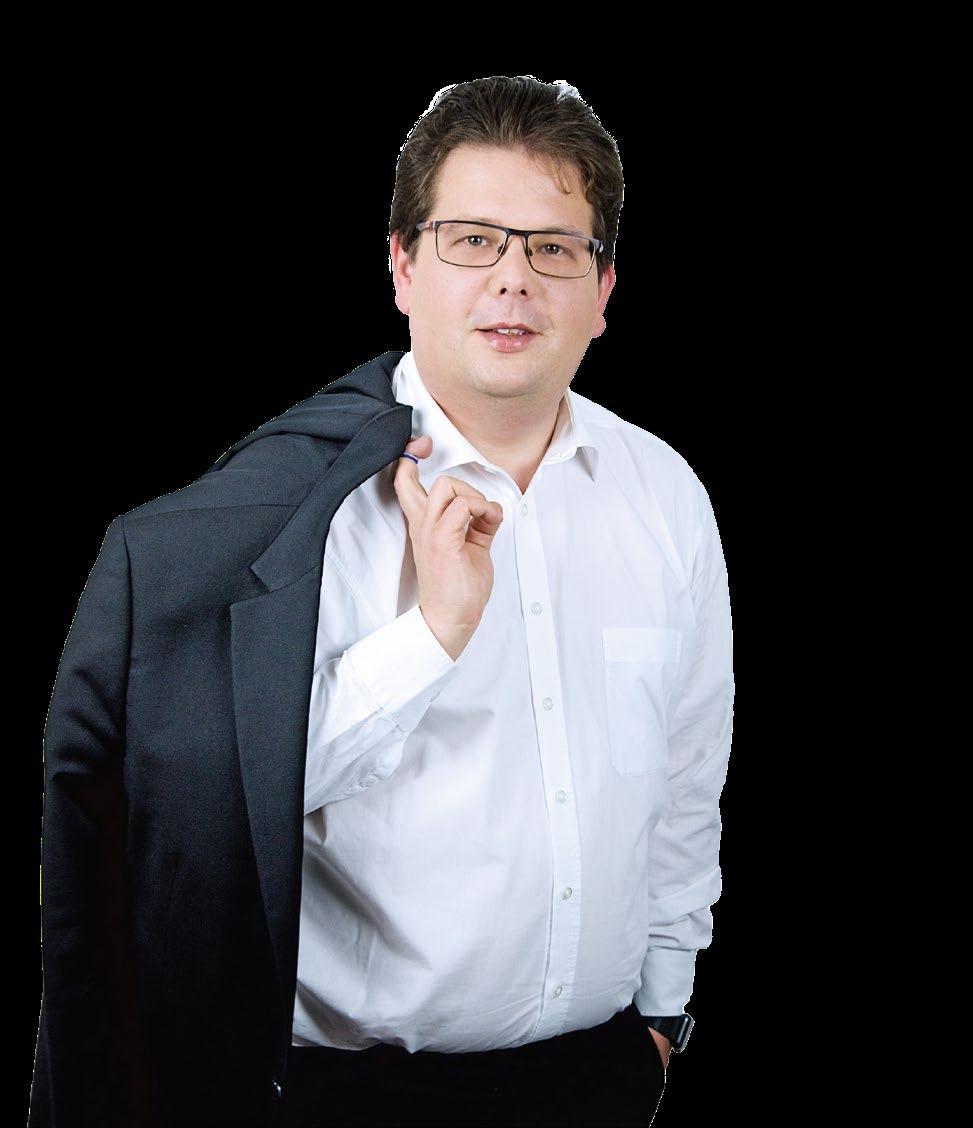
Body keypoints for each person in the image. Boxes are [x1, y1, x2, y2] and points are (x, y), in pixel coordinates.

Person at [29, 75, 734, 1127]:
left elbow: (684, 780)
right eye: (472, 240)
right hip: (344, 1096)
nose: (512, 279)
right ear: (402, 266)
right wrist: (431, 636)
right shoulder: (283, 517)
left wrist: (663, 1015)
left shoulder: (664, 492)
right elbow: (211, 817)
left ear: (603, 289)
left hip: (595, 1080)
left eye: (553, 248)